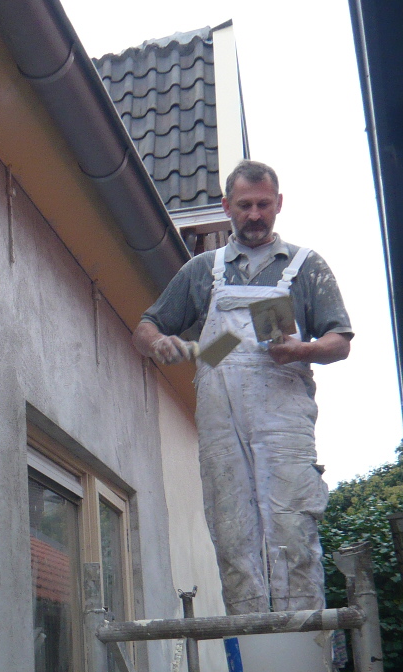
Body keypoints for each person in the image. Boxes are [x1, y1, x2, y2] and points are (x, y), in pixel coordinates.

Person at [133, 160, 353, 615]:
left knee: (292, 531)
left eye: (263, 205)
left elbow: (340, 342)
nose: (255, 215)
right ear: (226, 206)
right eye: (245, 205)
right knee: (232, 530)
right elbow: (146, 327)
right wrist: (160, 344)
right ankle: (253, 649)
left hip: (284, 421)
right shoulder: (203, 270)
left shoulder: (305, 266)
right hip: (221, 421)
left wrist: (301, 349)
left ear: (279, 204)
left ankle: (305, 648)